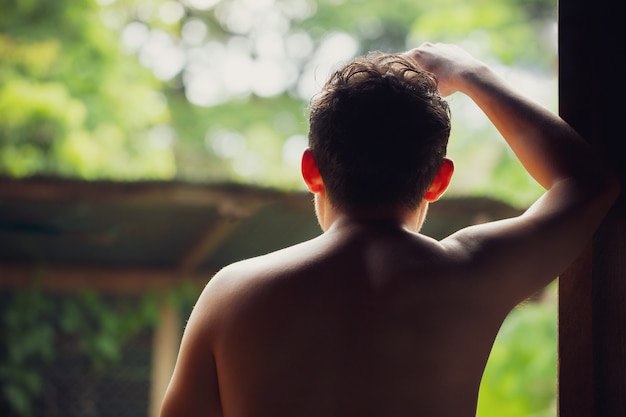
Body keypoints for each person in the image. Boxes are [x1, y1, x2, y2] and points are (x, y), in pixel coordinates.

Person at [159, 42, 620, 417]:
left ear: (310, 170)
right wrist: (469, 73)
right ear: (439, 179)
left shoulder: (232, 293)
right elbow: (589, 183)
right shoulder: (472, 273)